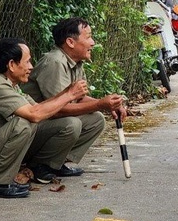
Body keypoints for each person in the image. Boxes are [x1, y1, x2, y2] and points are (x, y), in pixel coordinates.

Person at [0, 38, 89, 198]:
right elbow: (34, 114)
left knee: (67, 123)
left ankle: (33, 169)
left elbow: (38, 107)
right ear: (11, 65)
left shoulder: (10, 85)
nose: (31, 67)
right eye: (28, 62)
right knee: (24, 123)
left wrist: (66, 92)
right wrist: (70, 95)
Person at [22, 17, 127, 182]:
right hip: (28, 128)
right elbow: (58, 110)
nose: (92, 43)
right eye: (88, 37)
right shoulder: (54, 62)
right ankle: (38, 165)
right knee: (72, 124)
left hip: (45, 124)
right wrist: (100, 104)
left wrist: (108, 105)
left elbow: (80, 98)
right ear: (70, 42)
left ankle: (55, 163)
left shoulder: (75, 62)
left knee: (96, 119)